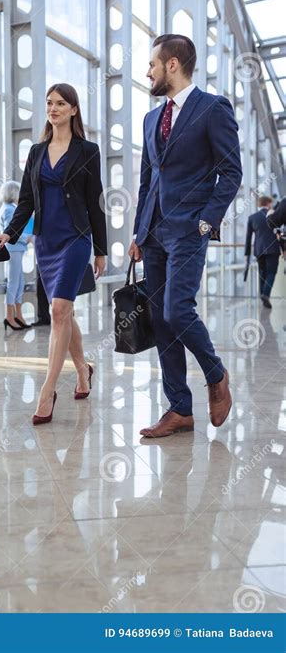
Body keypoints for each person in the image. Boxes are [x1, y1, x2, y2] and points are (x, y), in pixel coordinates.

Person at [128, 34, 242, 438]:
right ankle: (179, 408)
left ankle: (216, 374)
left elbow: (231, 173)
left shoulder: (212, 108)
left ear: (172, 64)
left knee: (178, 311)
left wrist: (207, 222)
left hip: (190, 230)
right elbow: (147, 181)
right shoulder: (149, 119)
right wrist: (140, 231)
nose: (148, 72)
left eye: (152, 65)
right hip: (155, 231)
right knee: (160, 319)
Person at [0, 83, 107, 425]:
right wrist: (11, 231)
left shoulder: (89, 151)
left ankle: (48, 389)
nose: (53, 108)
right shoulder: (36, 152)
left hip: (75, 238)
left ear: (74, 110)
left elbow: (95, 202)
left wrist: (100, 249)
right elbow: (26, 199)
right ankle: (84, 371)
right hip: (46, 242)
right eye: (49, 103)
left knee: (58, 309)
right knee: (65, 314)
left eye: (60, 103)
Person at [0, 181, 31, 331]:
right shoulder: (9, 210)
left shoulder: (7, 208)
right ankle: (9, 316)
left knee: (19, 283)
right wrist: (27, 238)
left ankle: (18, 315)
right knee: (13, 283)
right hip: (14, 250)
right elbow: (11, 233)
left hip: (16, 250)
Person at [245, 195, 281, 308]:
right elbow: (279, 232)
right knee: (271, 272)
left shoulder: (252, 217)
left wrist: (247, 253)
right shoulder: (274, 215)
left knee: (262, 273)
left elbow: (248, 237)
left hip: (259, 250)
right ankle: (265, 294)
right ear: (268, 203)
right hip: (273, 249)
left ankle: (262, 295)